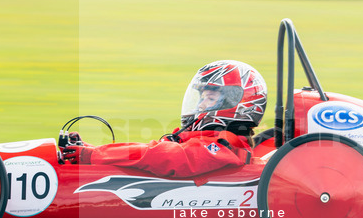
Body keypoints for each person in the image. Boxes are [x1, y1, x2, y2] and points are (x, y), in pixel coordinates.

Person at [62, 60, 267, 178]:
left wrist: (95, 155)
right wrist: (90, 151)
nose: (201, 105)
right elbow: (152, 152)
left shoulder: (225, 147)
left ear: (236, 104)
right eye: (201, 97)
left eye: (210, 97)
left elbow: (161, 156)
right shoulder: (206, 141)